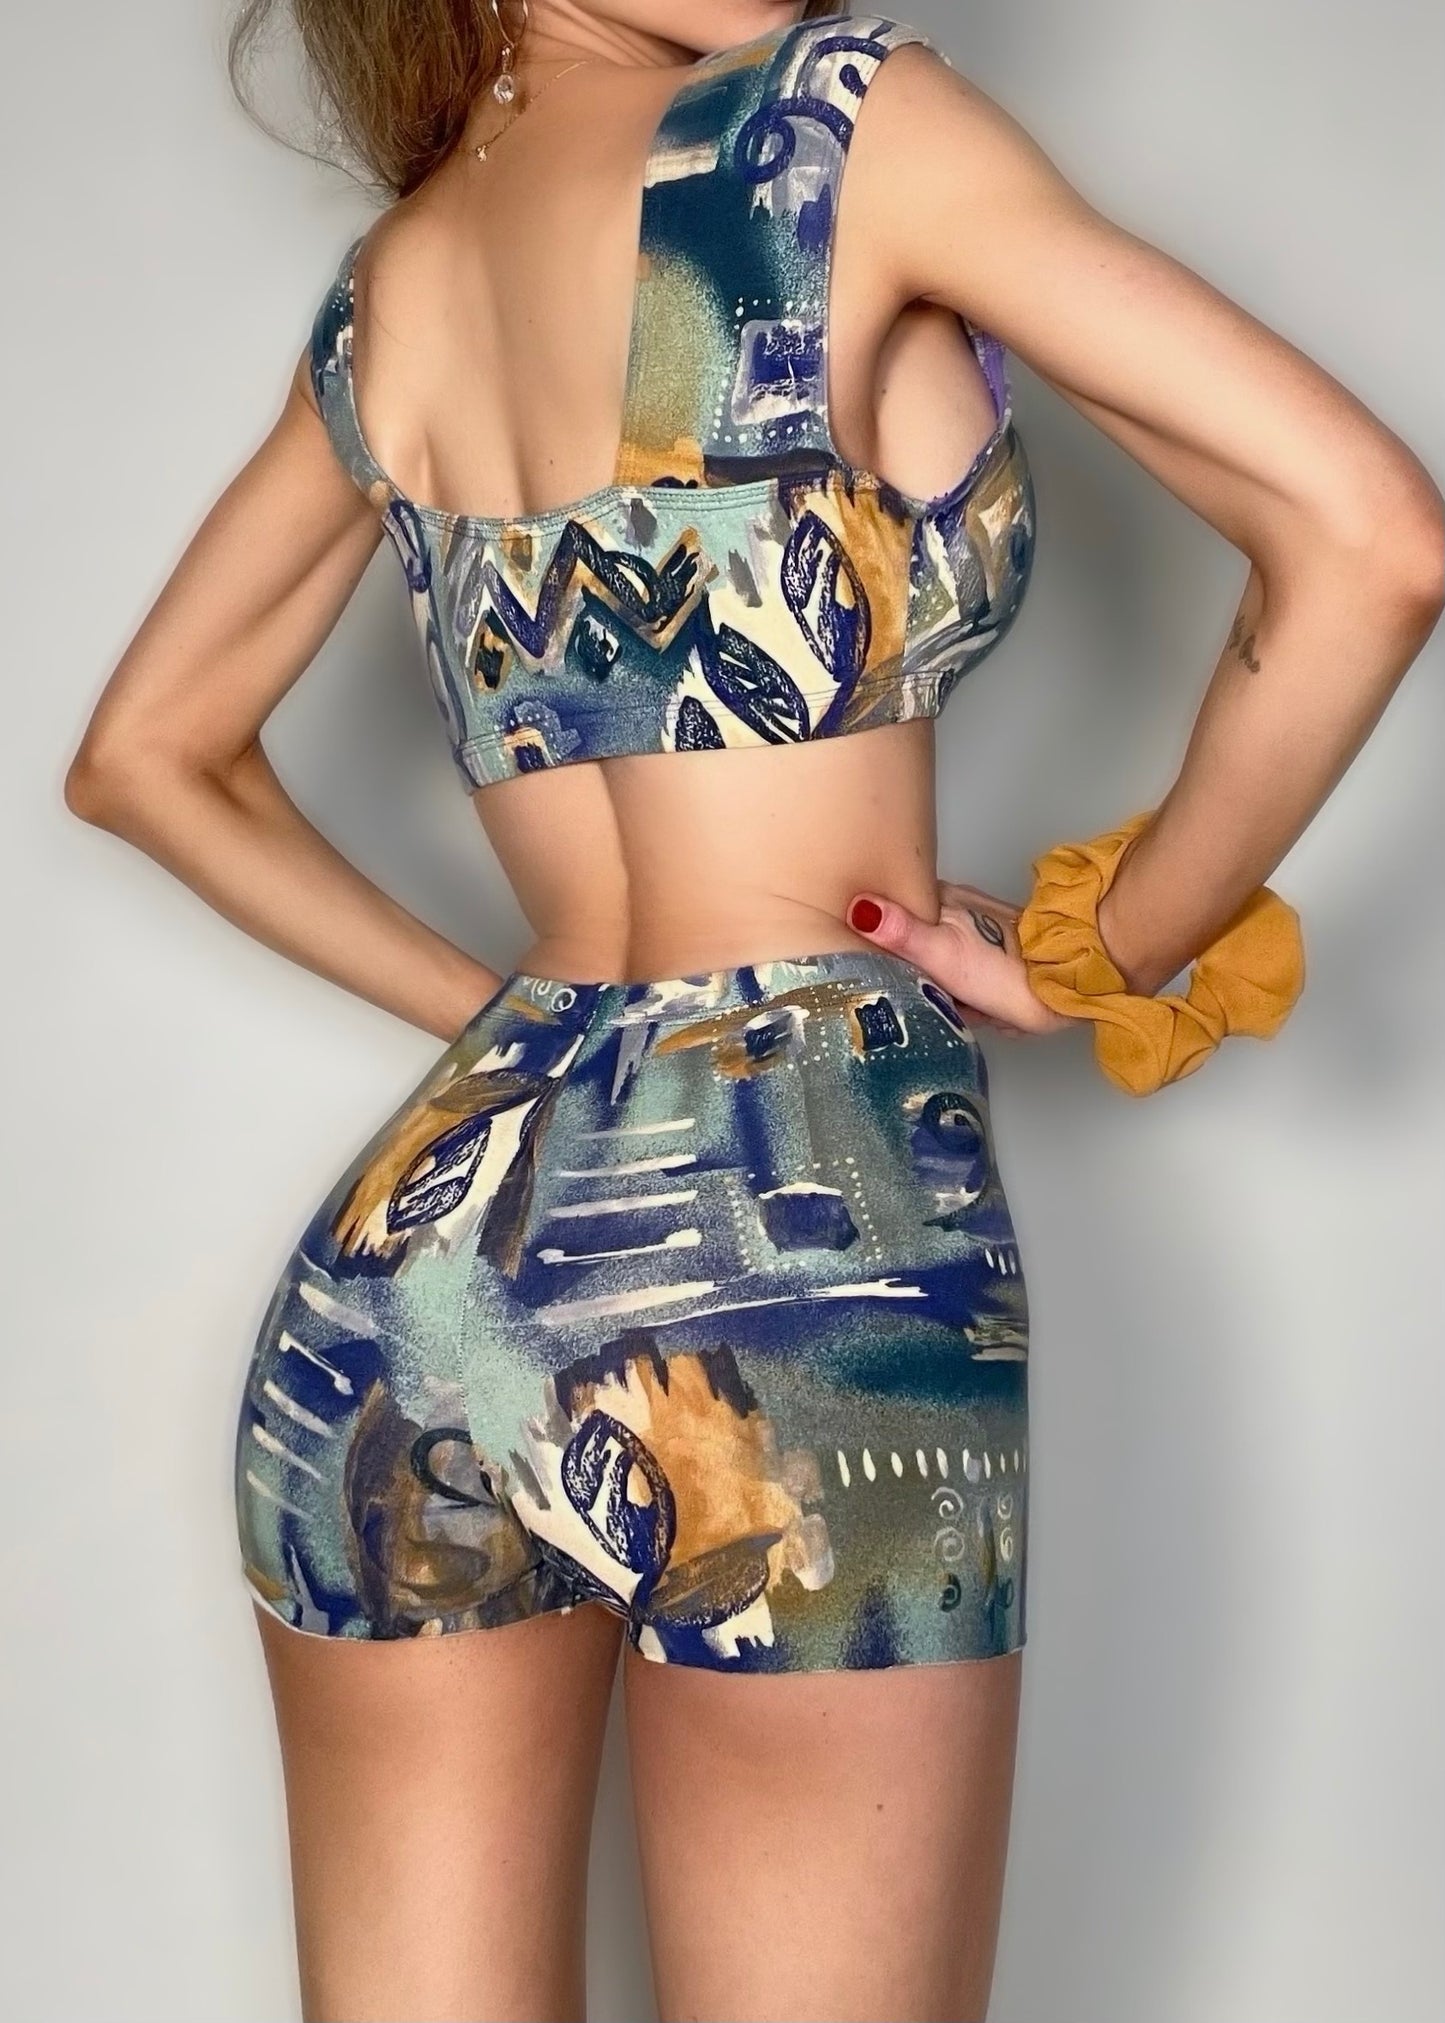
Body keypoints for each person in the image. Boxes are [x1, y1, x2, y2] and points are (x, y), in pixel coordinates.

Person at [64, 2, 1442, 2017]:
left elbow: (141, 758)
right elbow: (1369, 539)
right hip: (806, 1252)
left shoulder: (396, 291)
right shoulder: (832, 133)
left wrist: (518, 1037)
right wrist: (1111, 950)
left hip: (420, 1298)